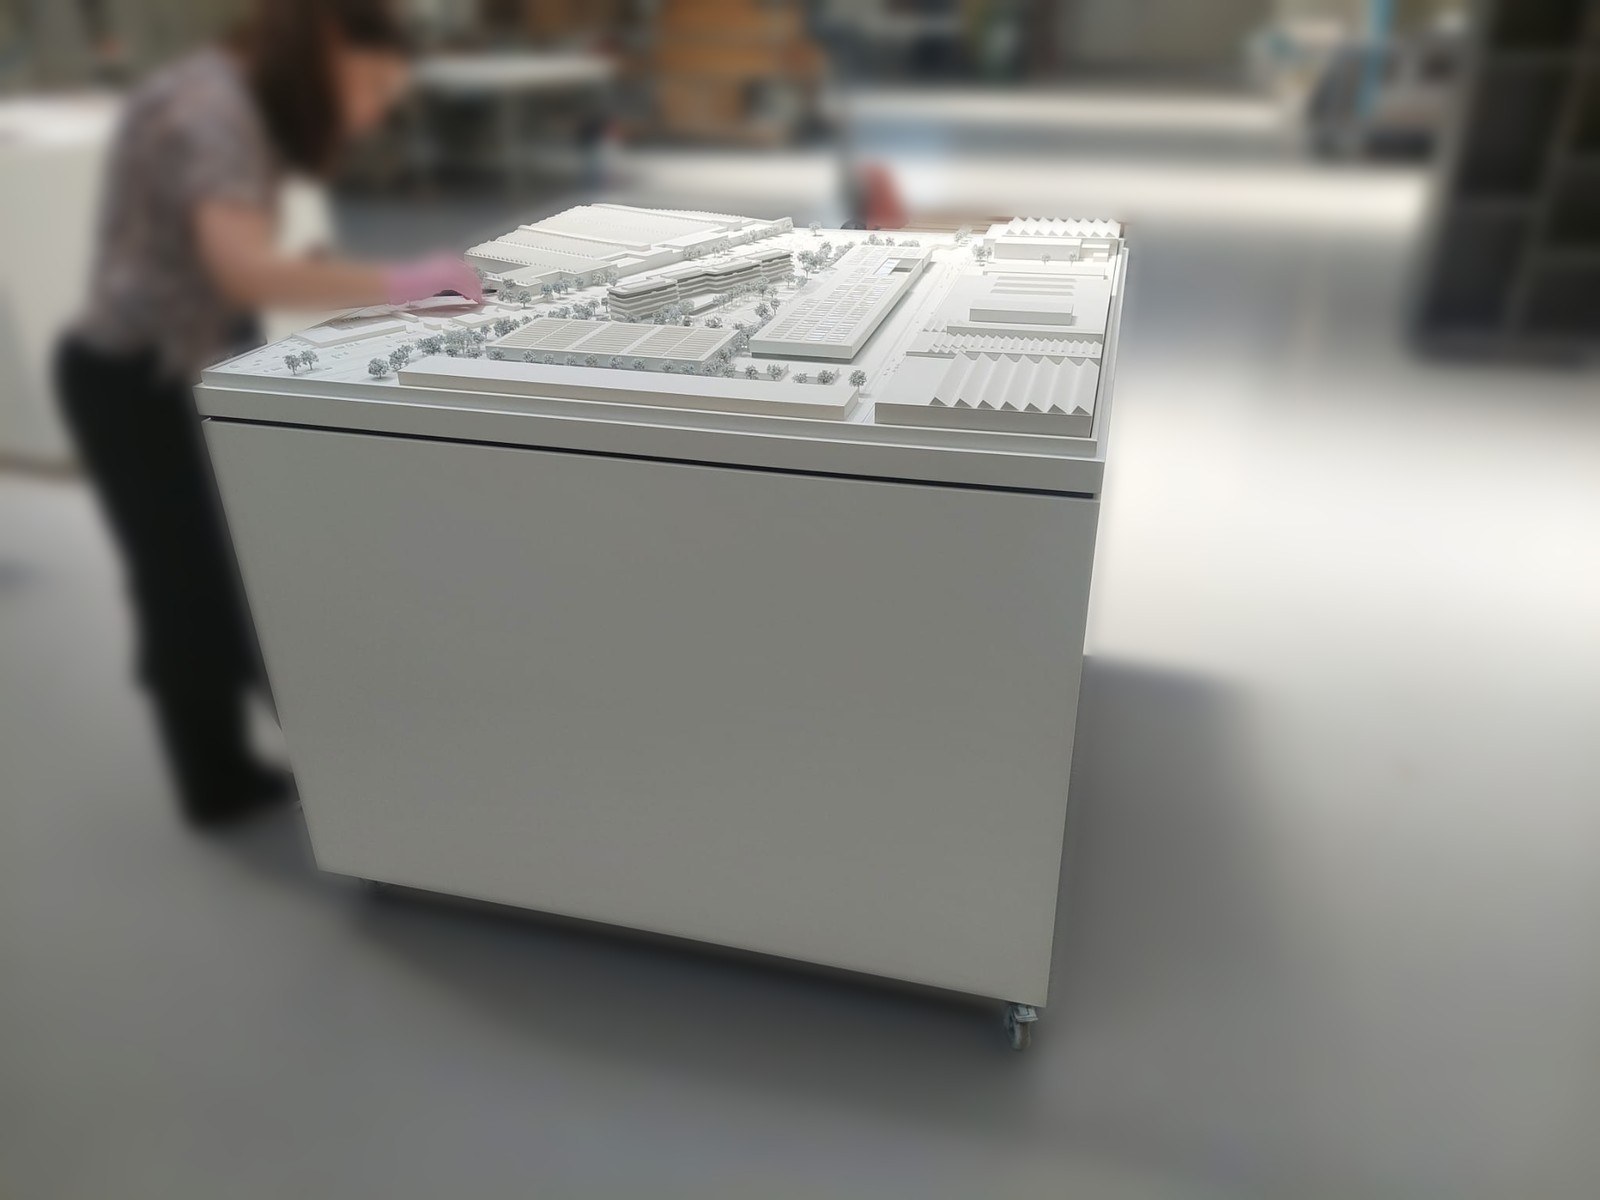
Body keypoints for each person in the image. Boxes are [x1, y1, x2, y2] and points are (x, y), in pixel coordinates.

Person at [56, 0, 483, 828]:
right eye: (370, 86)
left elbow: (207, 256)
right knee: (187, 583)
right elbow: (242, 270)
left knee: (223, 572)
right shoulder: (215, 115)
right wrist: (402, 283)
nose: (370, 114)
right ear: (326, 48)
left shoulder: (221, 92)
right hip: (137, 377)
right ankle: (218, 781)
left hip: (179, 358)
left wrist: (321, 276)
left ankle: (261, 762)